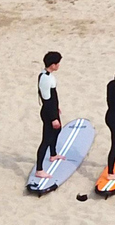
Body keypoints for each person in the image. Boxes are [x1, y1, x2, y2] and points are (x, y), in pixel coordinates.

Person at [35, 51, 64, 179]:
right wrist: (53, 118)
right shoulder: (45, 79)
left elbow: (53, 96)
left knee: (58, 130)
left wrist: (57, 108)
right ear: (52, 65)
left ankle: (53, 154)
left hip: (52, 109)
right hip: (48, 113)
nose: (58, 65)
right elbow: (46, 100)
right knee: (46, 140)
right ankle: (39, 169)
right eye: (57, 63)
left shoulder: (48, 75)